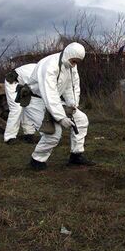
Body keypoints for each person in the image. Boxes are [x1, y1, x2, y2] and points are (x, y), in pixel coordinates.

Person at [24, 42, 94, 170]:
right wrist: (61, 117)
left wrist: (72, 104)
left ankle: (76, 156)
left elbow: (70, 85)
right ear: (69, 54)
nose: (75, 64)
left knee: (81, 119)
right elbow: (48, 93)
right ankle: (37, 160)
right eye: (74, 61)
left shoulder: (70, 65)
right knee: (53, 133)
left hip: (53, 99)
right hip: (35, 101)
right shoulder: (49, 65)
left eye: (77, 62)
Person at [4, 63, 37, 144]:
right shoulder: (37, 74)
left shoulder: (45, 72)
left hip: (24, 84)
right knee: (17, 108)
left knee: (29, 106)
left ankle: (29, 134)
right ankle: (9, 137)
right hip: (12, 81)